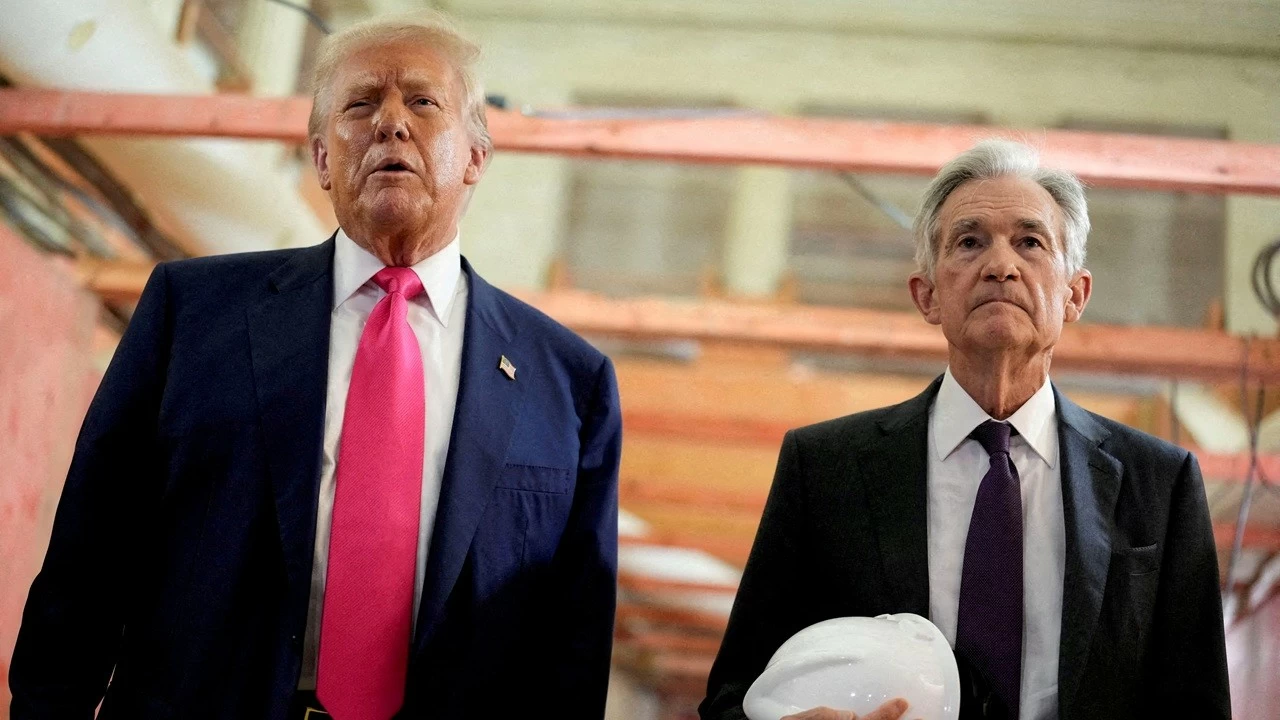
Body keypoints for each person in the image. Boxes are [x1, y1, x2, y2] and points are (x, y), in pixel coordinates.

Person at [10, 13, 621, 720]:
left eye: (423, 102)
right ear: (324, 159)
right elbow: (89, 562)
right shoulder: (192, 315)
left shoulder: (569, 384)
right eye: (360, 104)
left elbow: (572, 649)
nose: (391, 124)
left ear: (477, 155)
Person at [700, 139, 1229, 720]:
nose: (1000, 265)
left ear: (1075, 294)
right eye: (969, 241)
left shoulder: (1161, 483)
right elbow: (733, 694)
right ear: (926, 295)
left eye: (1030, 242)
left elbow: (1197, 703)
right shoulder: (824, 467)